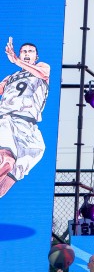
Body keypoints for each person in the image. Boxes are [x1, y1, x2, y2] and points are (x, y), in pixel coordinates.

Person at [0, 37, 50, 198]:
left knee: (17, 170)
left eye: (30, 51)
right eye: (23, 51)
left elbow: (42, 73)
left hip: (28, 126)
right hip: (7, 119)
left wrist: (16, 60)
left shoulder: (42, 67)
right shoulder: (9, 78)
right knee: (7, 160)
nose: (27, 54)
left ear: (36, 56)